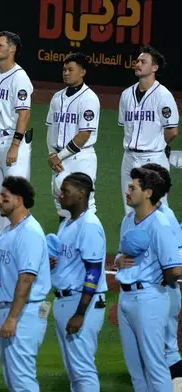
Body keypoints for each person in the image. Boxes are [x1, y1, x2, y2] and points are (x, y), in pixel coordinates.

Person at [114, 167, 182, 391]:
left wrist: (155, 281)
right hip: (126, 297)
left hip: (148, 299)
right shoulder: (127, 220)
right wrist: (118, 260)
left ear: (148, 193)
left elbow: (174, 269)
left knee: (155, 366)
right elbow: (121, 253)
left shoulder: (160, 224)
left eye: (133, 187)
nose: (128, 190)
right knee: (136, 370)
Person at [0, 176, 51, 391]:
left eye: (5, 196)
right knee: (13, 379)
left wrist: (13, 318)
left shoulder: (29, 232)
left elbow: (27, 278)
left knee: (22, 380)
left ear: (19, 200)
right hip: (11, 309)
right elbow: (10, 269)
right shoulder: (8, 231)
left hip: (25, 314)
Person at [49, 173, 107, 391]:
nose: (60, 195)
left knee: (82, 370)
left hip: (81, 303)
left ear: (81, 194)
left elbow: (93, 271)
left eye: (65, 191)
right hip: (66, 300)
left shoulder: (89, 225)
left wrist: (81, 312)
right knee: (74, 371)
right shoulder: (68, 223)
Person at [0, 31, 34, 235]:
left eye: (0, 45)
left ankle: (23, 240)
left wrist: (15, 145)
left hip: (12, 143)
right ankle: (5, 240)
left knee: (15, 199)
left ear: (12, 49)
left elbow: (24, 114)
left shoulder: (20, 77)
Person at [118, 45, 178, 214]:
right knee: (129, 206)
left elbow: (172, 131)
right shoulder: (126, 95)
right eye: (137, 61)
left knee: (158, 207)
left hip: (153, 158)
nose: (138, 64)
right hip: (129, 158)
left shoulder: (163, 95)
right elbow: (126, 126)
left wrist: (158, 145)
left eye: (143, 62)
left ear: (154, 68)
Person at [46, 53, 100, 221]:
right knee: (61, 203)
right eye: (64, 70)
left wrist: (58, 157)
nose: (66, 73)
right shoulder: (57, 97)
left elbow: (84, 135)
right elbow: (50, 128)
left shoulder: (89, 98)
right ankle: (65, 243)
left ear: (82, 72)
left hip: (80, 158)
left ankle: (88, 244)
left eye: (71, 69)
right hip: (59, 160)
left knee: (84, 204)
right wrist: (52, 155)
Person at [140, 163, 182, 378]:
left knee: (166, 350)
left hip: (163, 291)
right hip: (158, 292)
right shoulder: (142, 216)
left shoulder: (165, 218)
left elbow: (177, 262)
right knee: (161, 349)